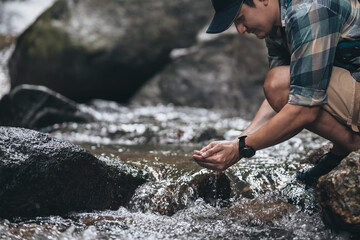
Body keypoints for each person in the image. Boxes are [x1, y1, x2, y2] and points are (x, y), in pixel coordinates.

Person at [192, 0, 360, 185]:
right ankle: (344, 146)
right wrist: (237, 141)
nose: (240, 29)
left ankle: (350, 144)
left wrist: (242, 149)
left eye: (240, 18)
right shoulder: (276, 27)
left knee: (279, 82)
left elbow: (303, 108)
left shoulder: (310, 11)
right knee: (279, 83)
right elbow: (282, 96)